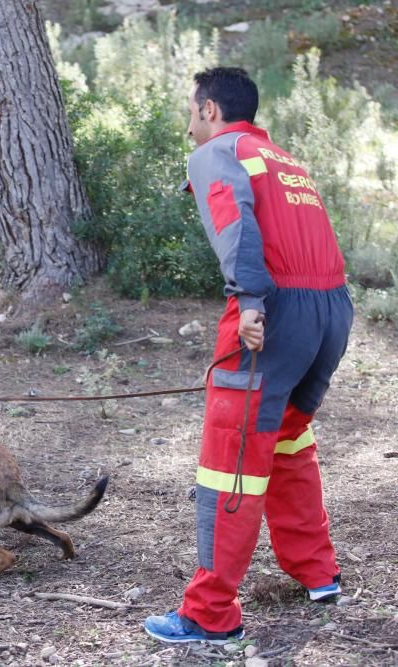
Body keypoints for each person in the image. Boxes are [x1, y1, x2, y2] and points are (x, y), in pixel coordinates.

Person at [144, 67, 353, 643]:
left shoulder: (219, 150)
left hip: (274, 311)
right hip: (330, 310)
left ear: (210, 110)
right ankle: (318, 573)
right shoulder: (284, 159)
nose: (189, 126)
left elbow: (234, 220)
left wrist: (251, 302)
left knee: (230, 456)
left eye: (191, 112)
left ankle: (209, 615)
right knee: (286, 440)